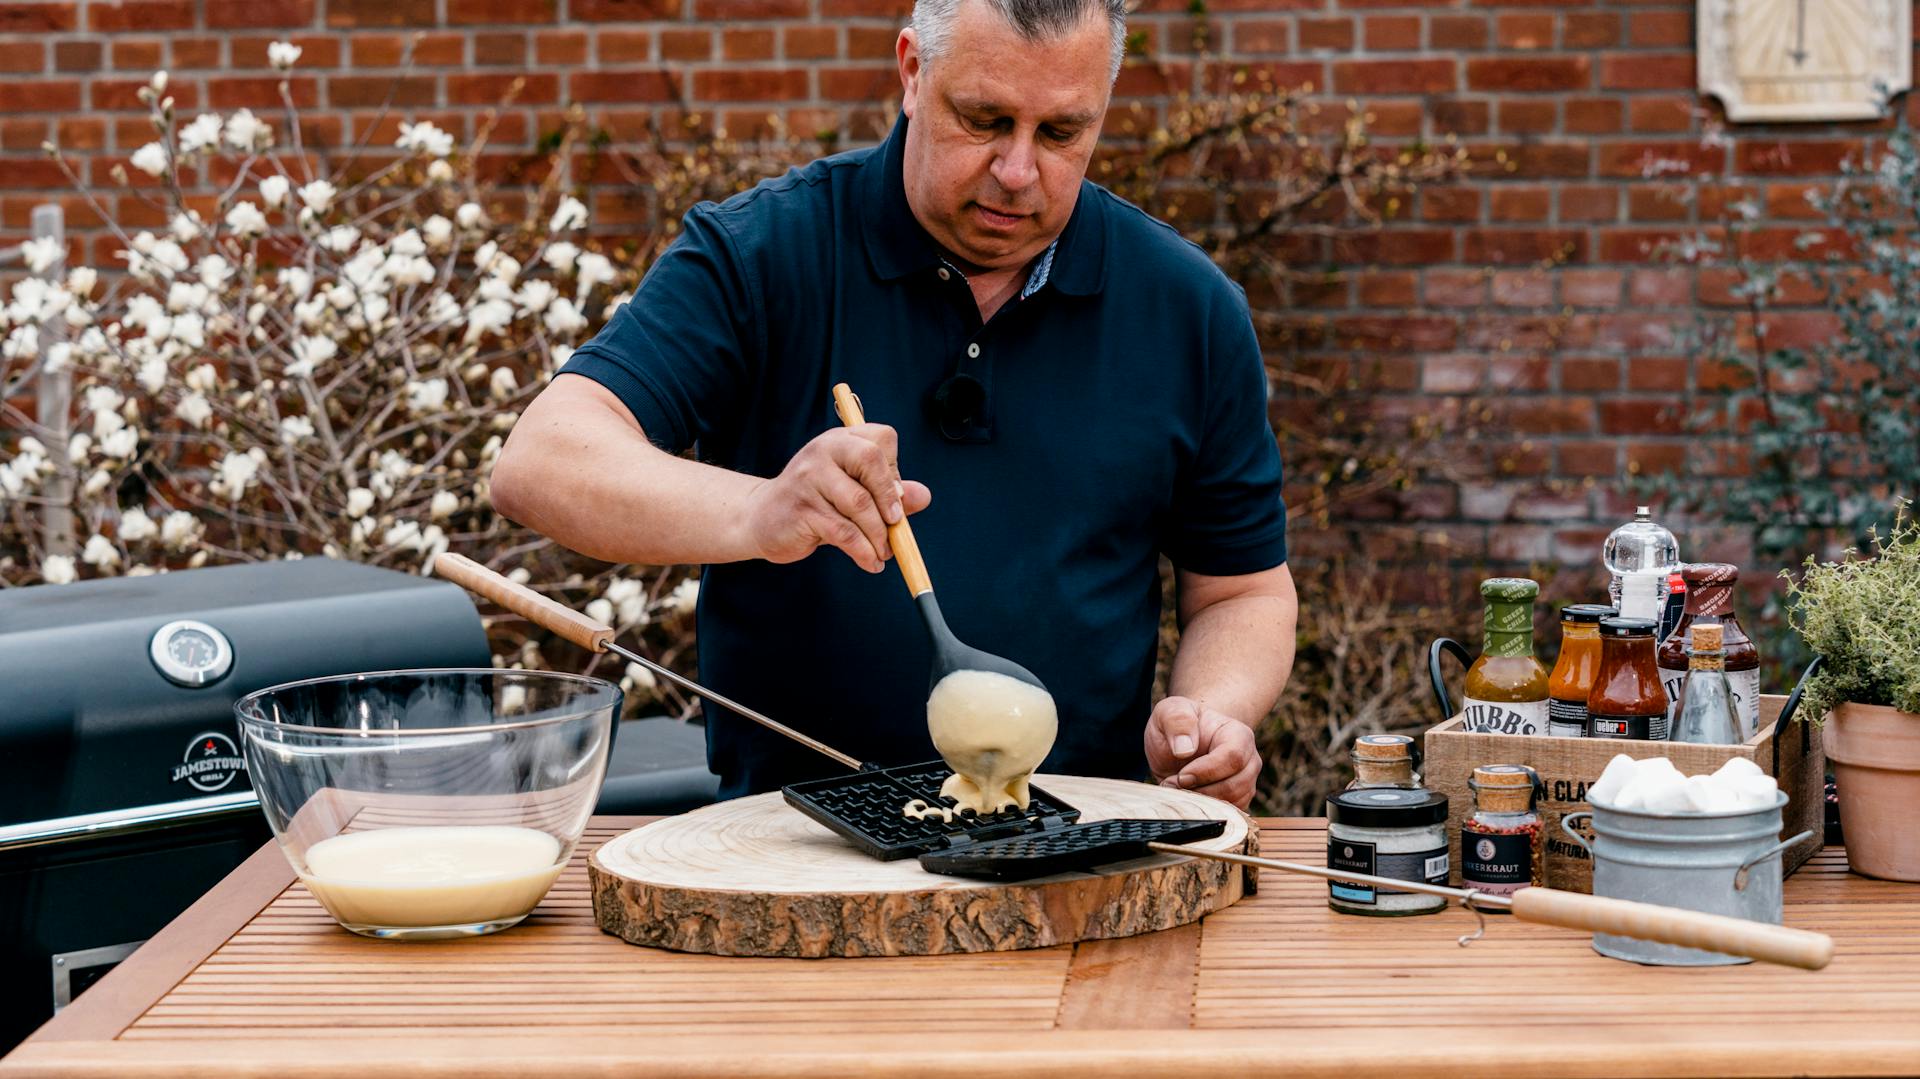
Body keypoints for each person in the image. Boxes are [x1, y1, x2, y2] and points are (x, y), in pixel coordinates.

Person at [490, 0, 1298, 810]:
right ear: (913, 71)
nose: (1018, 172)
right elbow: (543, 460)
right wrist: (762, 510)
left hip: (1084, 844)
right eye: (984, 119)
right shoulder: (761, 253)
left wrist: (1212, 714)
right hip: (784, 843)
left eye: (1060, 134)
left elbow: (1242, 591)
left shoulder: (1187, 308)